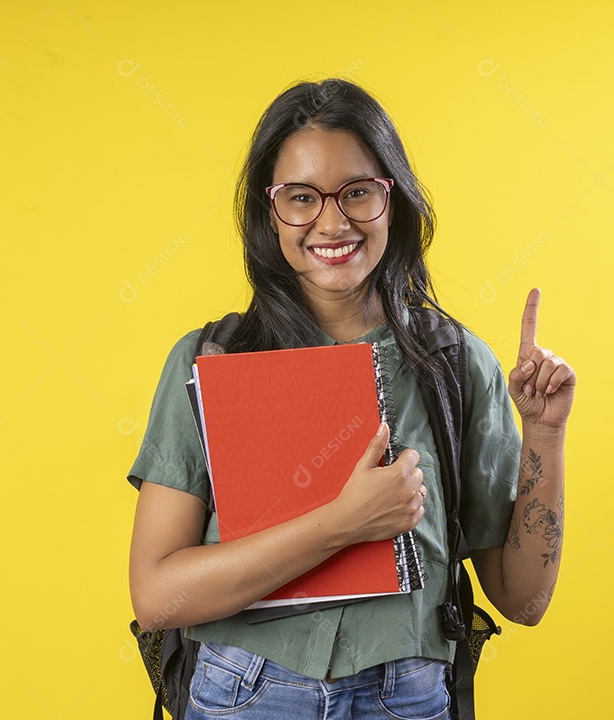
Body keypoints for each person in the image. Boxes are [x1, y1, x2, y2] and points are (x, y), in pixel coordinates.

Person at [127, 78, 575, 719]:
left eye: (358, 192)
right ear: (269, 210)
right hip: (245, 693)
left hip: (406, 696)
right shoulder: (209, 362)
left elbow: (524, 600)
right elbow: (157, 596)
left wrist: (545, 435)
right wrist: (342, 525)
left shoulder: (456, 365)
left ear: (394, 201)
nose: (332, 222)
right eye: (301, 198)